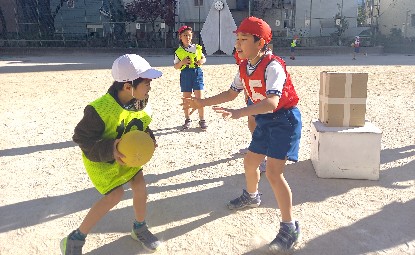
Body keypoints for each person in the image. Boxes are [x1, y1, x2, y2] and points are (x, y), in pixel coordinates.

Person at [183, 17, 302, 253]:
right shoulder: (244, 66)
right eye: (237, 39)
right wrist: (201, 102)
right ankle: (252, 195)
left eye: (244, 39)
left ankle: (290, 226)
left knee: (275, 174)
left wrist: (240, 113)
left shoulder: (273, 66)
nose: (238, 44)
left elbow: (272, 102)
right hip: (265, 120)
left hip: (284, 121)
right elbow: (230, 93)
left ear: (261, 43)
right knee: (250, 163)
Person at [60, 54, 162, 255]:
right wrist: (111, 149)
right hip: (101, 159)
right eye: (146, 83)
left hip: (129, 156)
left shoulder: (140, 101)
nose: (150, 87)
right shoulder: (99, 110)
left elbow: (141, 125)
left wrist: (148, 139)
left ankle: (139, 227)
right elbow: (81, 138)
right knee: (115, 195)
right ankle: (75, 238)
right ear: (127, 86)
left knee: (140, 186)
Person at [233, 47, 267, 173]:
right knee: (251, 122)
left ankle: (262, 157)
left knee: (262, 125)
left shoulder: (264, 57)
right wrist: (246, 92)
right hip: (252, 94)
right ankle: (255, 146)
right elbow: (244, 74)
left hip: (263, 97)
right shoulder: (240, 53)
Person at [174, 25, 208, 130]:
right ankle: (187, 119)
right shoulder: (178, 52)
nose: (187, 37)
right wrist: (182, 62)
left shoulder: (197, 48)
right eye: (185, 35)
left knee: (200, 98)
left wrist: (201, 61)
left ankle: (202, 119)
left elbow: (204, 58)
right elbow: (175, 66)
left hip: (197, 73)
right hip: (185, 74)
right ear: (180, 37)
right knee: (186, 98)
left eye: (189, 35)